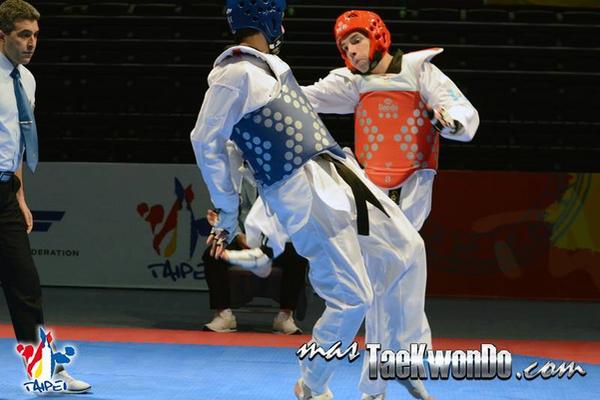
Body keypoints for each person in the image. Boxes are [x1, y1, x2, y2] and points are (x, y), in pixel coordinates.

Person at [190, 1, 430, 399]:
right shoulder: (232, 74)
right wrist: (228, 207)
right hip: (299, 192)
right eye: (278, 19)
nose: (282, 26)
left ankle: (400, 360)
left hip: (336, 169)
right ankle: (312, 384)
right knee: (353, 297)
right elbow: (206, 140)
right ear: (266, 20)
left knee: (408, 247)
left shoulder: (274, 68)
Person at [303, 10, 480, 232]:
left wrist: (452, 123)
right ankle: (262, 241)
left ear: (377, 35)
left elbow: (459, 108)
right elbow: (303, 98)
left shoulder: (418, 70)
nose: (352, 51)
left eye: (356, 41)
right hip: (368, 178)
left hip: (414, 179)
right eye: (345, 48)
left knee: (401, 246)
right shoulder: (352, 82)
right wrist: (264, 85)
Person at [0, 0, 90, 393]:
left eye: (35, 35)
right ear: (1, 35)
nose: (32, 42)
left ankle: (45, 371)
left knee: (25, 284)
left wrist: (20, 194)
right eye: (23, 34)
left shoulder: (27, 80)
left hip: (5, 193)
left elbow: (15, 144)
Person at [202, 176, 306, 335]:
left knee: (297, 257)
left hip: (273, 239)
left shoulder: (282, 179)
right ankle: (224, 315)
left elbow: (290, 215)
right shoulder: (235, 177)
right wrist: (238, 236)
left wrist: (273, 240)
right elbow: (225, 212)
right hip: (240, 235)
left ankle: (285, 316)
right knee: (212, 255)